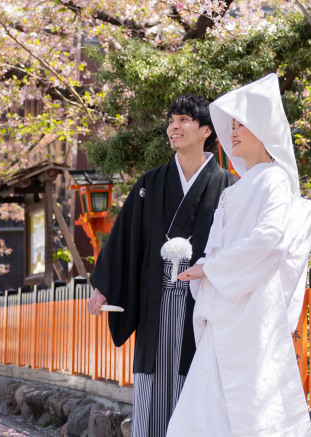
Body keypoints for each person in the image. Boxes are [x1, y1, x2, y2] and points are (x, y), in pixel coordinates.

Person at [167, 74, 311, 436]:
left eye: (242, 126)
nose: (232, 134)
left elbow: (270, 240)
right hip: (226, 304)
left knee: (251, 402)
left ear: (264, 129)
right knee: (209, 406)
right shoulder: (238, 189)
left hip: (251, 309)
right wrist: (208, 270)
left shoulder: (274, 180)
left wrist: (210, 269)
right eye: (231, 126)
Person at [86, 94, 236, 437]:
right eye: (170, 121)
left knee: (197, 390)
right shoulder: (149, 184)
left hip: (203, 306)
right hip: (155, 306)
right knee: (153, 394)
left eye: (183, 120)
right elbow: (125, 240)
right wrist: (103, 286)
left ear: (206, 130)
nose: (174, 127)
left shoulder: (228, 186)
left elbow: (237, 248)